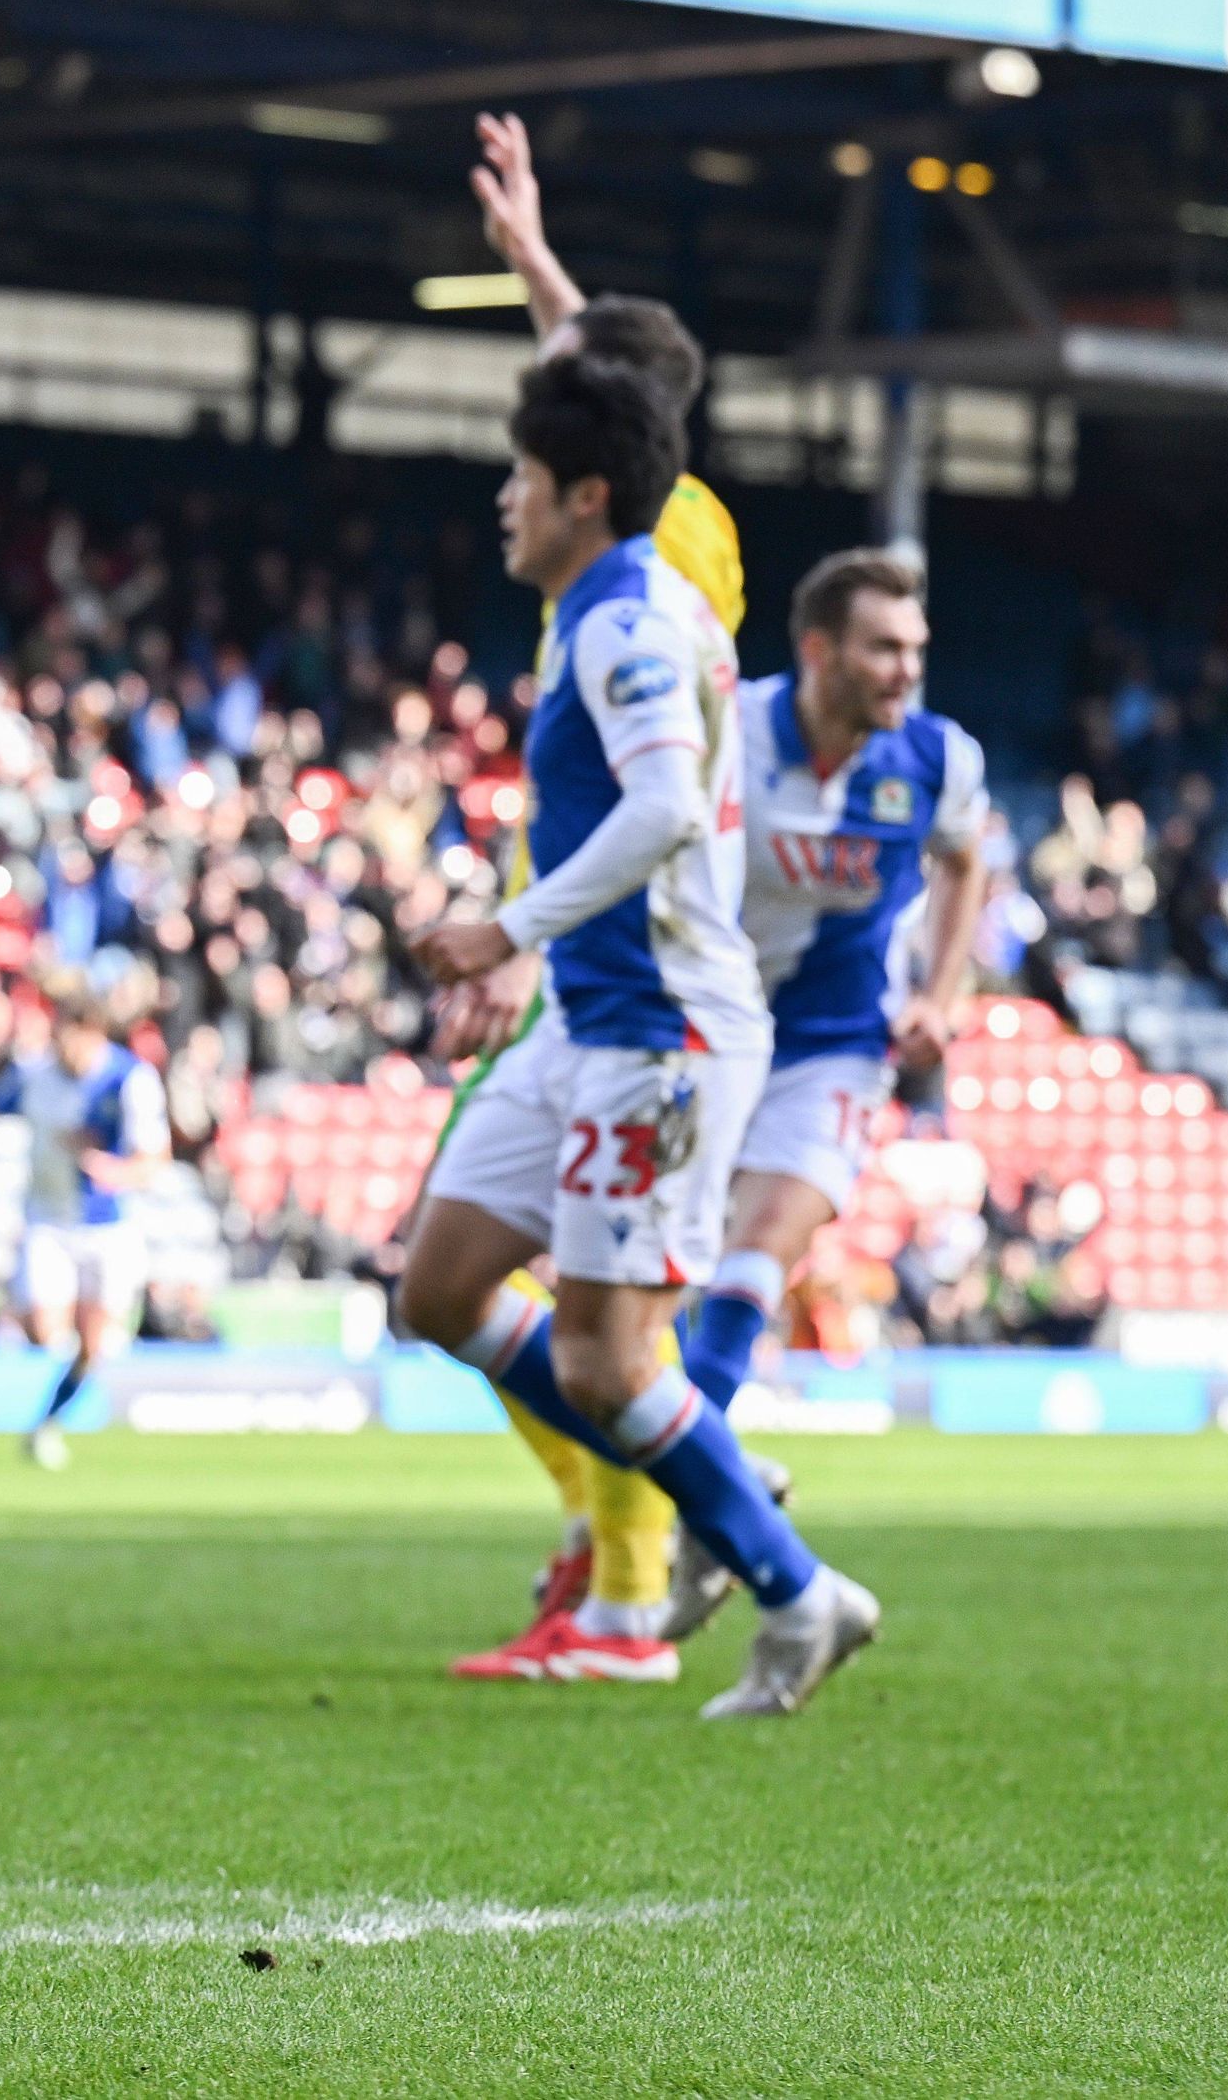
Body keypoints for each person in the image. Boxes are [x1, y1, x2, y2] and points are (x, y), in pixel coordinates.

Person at [399, 348, 880, 1720]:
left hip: (655, 1030)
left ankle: (796, 1590)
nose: (506, 499)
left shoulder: (625, 622)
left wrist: (510, 927)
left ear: (586, 494)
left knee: (611, 1363)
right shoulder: (616, 604)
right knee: (438, 1287)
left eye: (526, 479)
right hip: (583, 1024)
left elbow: (668, 800)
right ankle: (705, 1458)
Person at [442, 117, 744, 1683]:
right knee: (467, 1273)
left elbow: (656, 796)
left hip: (613, 960)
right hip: (577, 940)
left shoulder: (659, 535)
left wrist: (514, 930)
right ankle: (623, 1514)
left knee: (570, 1304)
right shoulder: (658, 510)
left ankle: (652, 1539)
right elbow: (604, 364)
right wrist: (531, 255)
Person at [651, 549, 989, 1639]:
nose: (904, 672)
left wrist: (940, 991)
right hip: (698, 1033)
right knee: (628, 1303)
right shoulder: (726, 734)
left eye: (915, 651)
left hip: (832, 1047)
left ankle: (704, 1525)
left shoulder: (937, 761)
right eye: (883, 648)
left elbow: (964, 862)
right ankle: (716, 1496)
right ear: (816, 650)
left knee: (756, 1256)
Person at [0, 1005, 161, 1470]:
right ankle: (34, 1395)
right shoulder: (34, 1073)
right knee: (45, 1327)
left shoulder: (129, 1079)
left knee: (93, 1347)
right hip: (48, 1219)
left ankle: (48, 1422)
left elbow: (153, 1159)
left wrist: (111, 1169)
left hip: (107, 1227)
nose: (67, 1049)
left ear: (95, 1033)